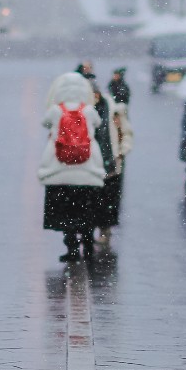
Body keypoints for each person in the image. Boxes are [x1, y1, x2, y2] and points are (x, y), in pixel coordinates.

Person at [40, 69, 111, 262]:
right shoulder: (88, 110)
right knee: (86, 209)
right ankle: (87, 245)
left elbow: (44, 123)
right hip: (86, 170)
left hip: (60, 170)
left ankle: (71, 249)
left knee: (66, 211)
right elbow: (97, 124)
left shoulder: (56, 110)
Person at [78, 63, 127, 248]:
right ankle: (88, 233)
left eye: (96, 94)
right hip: (89, 162)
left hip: (110, 163)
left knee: (107, 200)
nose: (95, 98)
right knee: (90, 199)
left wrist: (122, 152)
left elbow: (125, 132)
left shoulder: (113, 110)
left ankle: (105, 232)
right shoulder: (84, 112)